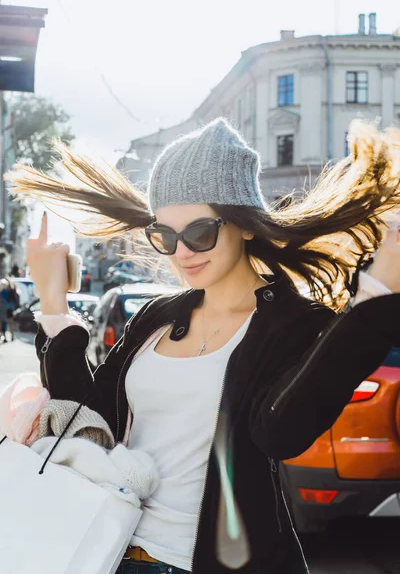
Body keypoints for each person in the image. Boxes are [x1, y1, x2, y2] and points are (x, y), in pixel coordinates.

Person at [6, 118, 400, 574]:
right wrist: (53, 301)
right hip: (106, 551)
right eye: (165, 236)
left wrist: (377, 293)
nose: (182, 252)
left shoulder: (294, 323)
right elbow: (89, 422)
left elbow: (282, 432)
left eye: (199, 233)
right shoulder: (157, 317)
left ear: (245, 225)